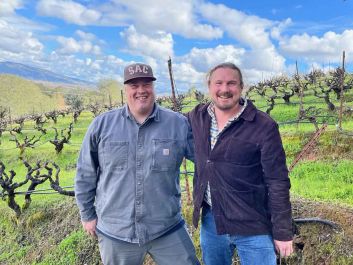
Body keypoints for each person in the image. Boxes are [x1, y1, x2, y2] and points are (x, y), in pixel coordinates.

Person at [75, 63, 200, 265]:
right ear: (126, 90)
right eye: (134, 85)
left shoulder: (178, 124)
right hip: (116, 232)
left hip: (167, 228)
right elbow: (85, 173)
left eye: (146, 84)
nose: (141, 90)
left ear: (153, 87)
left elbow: (208, 160)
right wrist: (87, 214)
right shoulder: (101, 125)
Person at [187, 62, 293, 265]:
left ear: (242, 87)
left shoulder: (263, 126)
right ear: (209, 86)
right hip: (212, 222)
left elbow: (277, 181)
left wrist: (282, 232)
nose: (224, 89)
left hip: (253, 225)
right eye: (218, 83)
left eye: (231, 83)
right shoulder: (197, 117)